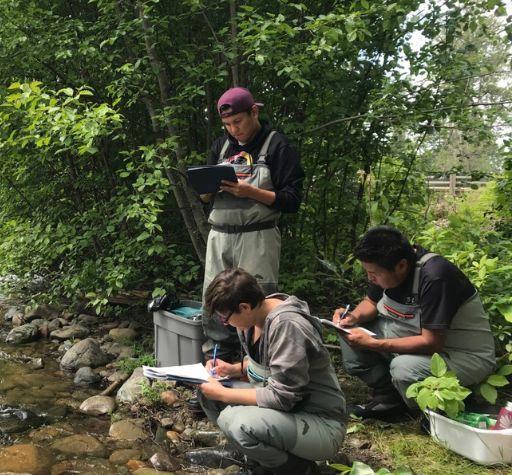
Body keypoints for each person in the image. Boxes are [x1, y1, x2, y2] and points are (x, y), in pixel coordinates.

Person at [333, 226, 496, 420]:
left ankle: (432, 413)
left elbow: (432, 342)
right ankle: (389, 399)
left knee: (404, 368)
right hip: (415, 338)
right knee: (348, 331)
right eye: (368, 272)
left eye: (373, 273)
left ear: (401, 266)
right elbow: (370, 302)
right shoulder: (387, 266)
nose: (370, 278)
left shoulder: (435, 276)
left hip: (463, 354)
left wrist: (375, 344)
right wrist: (353, 317)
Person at [199, 268, 346, 475]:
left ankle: (298, 468)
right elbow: (269, 365)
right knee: (206, 394)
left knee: (237, 423)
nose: (226, 324)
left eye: (225, 318)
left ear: (244, 307)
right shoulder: (252, 319)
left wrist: (223, 393)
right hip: (286, 412)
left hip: (319, 421)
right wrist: (233, 369)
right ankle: (260, 456)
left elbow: (283, 397)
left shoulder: (288, 326)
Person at [200, 86, 304, 361]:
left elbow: (292, 200)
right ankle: (217, 374)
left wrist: (251, 192)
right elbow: (203, 199)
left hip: (258, 237)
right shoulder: (221, 146)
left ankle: (260, 373)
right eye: (227, 124)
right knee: (215, 305)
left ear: (254, 112)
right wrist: (206, 190)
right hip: (219, 236)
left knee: (257, 305)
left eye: (238, 122)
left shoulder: (277, 145)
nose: (233, 129)